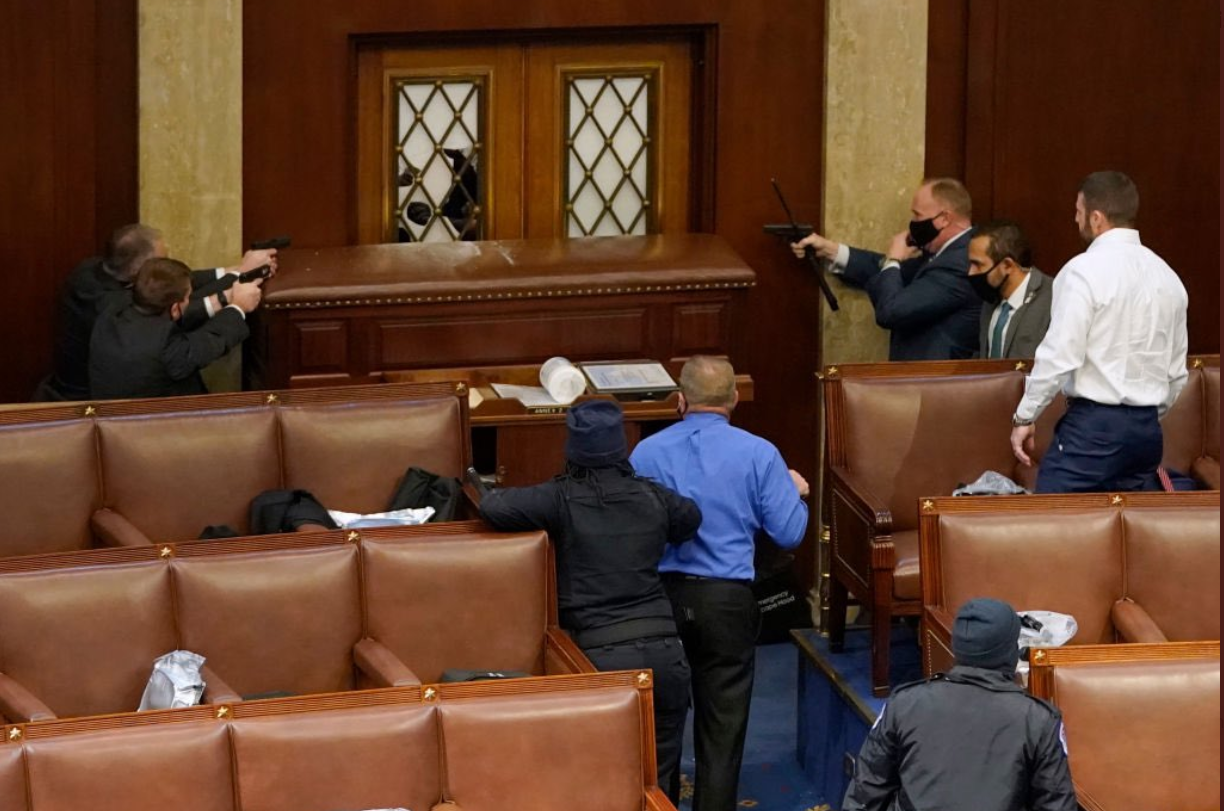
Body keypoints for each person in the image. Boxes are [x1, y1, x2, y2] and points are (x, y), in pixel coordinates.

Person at [477, 399, 698, 805]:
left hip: (599, 657)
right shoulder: (652, 496)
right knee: (660, 781)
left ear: (573, 448)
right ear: (621, 447)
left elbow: (494, 507)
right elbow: (689, 518)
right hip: (666, 654)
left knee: (600, 779)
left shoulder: (560, 498)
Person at [629, 356, 809, 811]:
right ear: (733, 399)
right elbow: (788, 533)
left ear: (680, 400)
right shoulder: (759, 453)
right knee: (723, 724)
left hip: (659, 603)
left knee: (661, 723)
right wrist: (795, 492)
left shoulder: (644, 454)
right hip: (726, 602)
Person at [1010, 171, 1189, 493]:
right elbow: (1177, 375)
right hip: (1147, 431)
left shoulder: (1082, 271)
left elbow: (1060, 355)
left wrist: (1025, 417)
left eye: (1078, 212)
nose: (1074, 218)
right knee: (1128, 534)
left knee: (1051, 525)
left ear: (1096, 218)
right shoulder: (1169, 277)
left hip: (1094, 428)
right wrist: (1142, 416)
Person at [842, 597, 1077, 811]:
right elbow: (1056, 806)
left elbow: (864, 796)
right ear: (1010, 651)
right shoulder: (1039, 720)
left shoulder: (904, 704)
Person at [38, 223, 277, 401]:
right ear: (140, 274)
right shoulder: (113, 310)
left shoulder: (92, 275)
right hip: (93, 406)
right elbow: (209, 341)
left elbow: (170, 287)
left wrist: (236, 272)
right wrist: (236, 304)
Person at [791, 178, 980, 360]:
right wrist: (830, 250)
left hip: (936, 384)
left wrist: (894, 258)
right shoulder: (943, 253)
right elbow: (889, 272)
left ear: (944, 219)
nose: (913, 221)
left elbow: (892, 312)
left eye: (917, 215)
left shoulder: (960, 262)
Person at [88, 257, 262, 399]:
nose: (191, 301)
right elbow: (211, 341)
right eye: (188, 298)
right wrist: (239, 306)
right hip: (156, 430)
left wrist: (227, 293)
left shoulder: (111, 309)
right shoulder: (164, 346)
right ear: (174, 308)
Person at [967, 219, 1053, 359]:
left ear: (1007, 265)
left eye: (978, 265)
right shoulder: (990, 298)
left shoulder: (1053, 298)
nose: (971, 272)